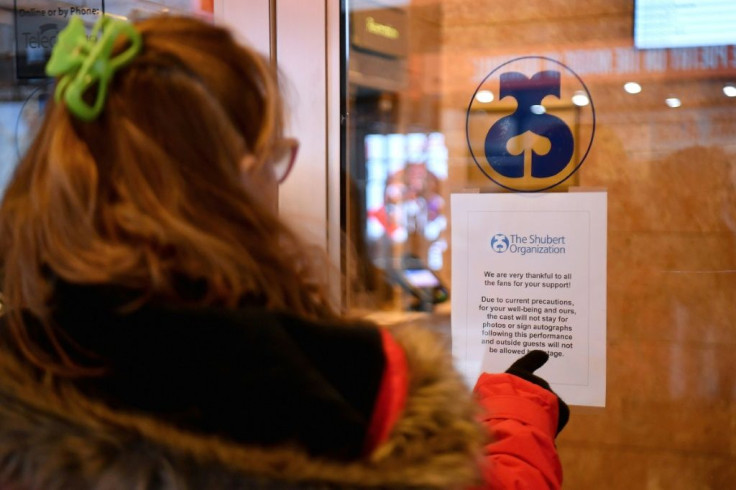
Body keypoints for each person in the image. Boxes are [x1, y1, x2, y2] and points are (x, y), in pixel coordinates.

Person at [0, 14, 567, 489]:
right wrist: (514, 413)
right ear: (236, 179)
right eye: (276, 155)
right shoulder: (346, 383)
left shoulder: (27, 355)